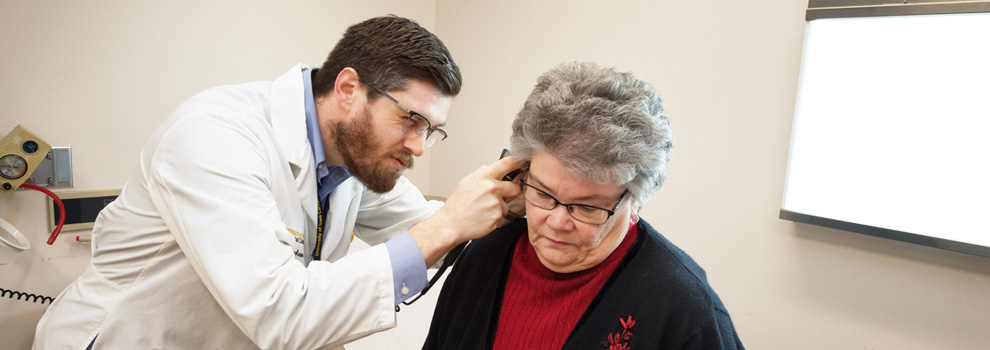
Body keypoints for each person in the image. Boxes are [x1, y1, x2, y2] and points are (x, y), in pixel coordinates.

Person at [33, 16, 521, 350]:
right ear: (349, 89)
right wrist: (447, 227)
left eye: (429, 131)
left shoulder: (352, 158)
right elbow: (277, 309)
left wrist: (524, 199)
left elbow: (430, 223)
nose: (417, 146)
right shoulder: (216, 136)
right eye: (411, 120)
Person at [423, 62, 744, 349]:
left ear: (634, 203)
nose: (557, 221)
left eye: (587, 207)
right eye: (543, 194)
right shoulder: (485, 255)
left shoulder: (682, 306)